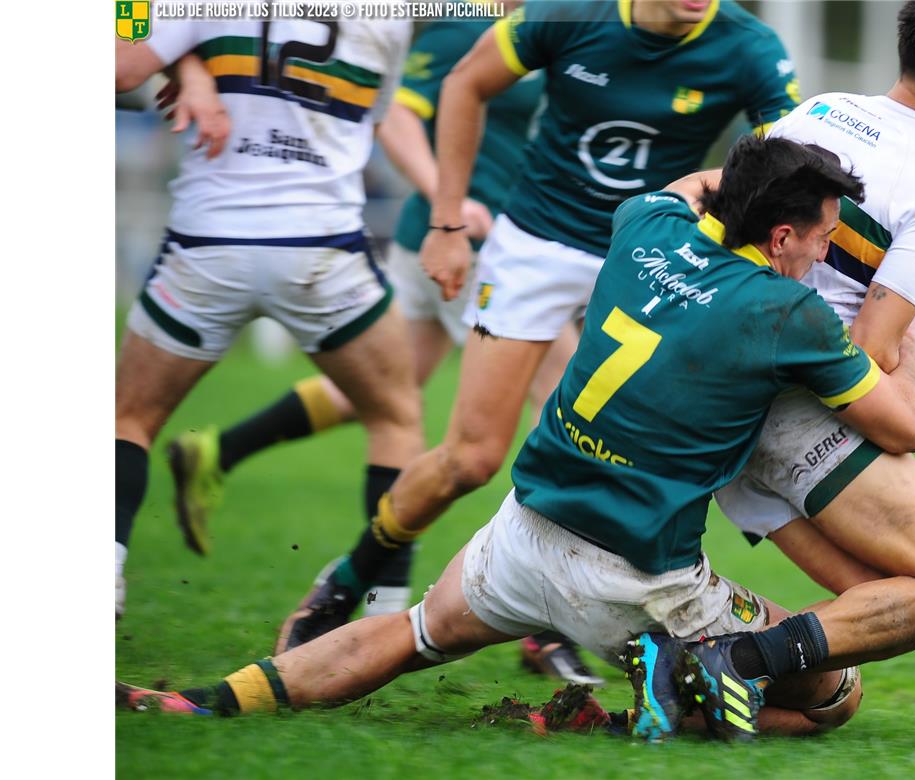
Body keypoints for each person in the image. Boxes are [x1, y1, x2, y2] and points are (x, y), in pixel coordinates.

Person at [117, 135, 915, 742]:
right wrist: (910, 318)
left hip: (526, 527)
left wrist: (751, 176)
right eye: (821, 235)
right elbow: (905, 426)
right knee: (832, 694)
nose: (827, 253)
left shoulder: (643, 226)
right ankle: (650, 696)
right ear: (781, 238)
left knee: (412, 636)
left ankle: (203, 700)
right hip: (645, 581)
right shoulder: (789, 313)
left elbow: (693, 187)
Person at [275, 0, 804, 653]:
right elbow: (465, 84)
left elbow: (794, 172)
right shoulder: (568, 15)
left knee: (611, 456)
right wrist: (445, 221)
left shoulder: (748, 48)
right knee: (470, 459)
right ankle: (344, 582)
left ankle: (552, 629)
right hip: (536, 247)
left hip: (653, 253)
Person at [156, 12, 600, 685]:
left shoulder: (547, 34)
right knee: (562, 398)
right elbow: (395, 114)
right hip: (464, 239)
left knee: (382, 392)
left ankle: (218, 450)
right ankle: (541, 622)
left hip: (475, 235)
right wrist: (446, 206)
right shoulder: (464, 33)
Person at [710, 0, 915, 635]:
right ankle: (721, 659)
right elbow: (874, 348)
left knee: (875, 608)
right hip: (790, 407)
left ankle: (720, 667)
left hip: (715, 382)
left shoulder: (821, 110)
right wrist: (908, 336)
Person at [113, 14, 417, 619]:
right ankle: (387, 608)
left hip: (208, 246)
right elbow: (381, 116)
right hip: (322, 253)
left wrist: (187, 65)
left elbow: (119, 66)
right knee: (396, 417)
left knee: (129, 417)